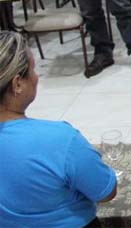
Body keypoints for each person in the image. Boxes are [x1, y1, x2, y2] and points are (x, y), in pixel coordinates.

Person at [0, 31, 118, 227]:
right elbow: (106, 191)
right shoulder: (59, 140)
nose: (37, 78)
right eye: (33, 70)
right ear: (17, 84)